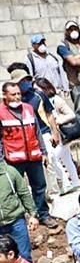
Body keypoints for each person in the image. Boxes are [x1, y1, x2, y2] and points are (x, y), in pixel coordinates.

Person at [0, 81, 57, 228]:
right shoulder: (1, 113)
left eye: (18, 93)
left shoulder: (29, 109)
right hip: (12, 159)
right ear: (4, 95)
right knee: (17, 189)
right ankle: (23, 217)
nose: (17, 97)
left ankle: (43, 214)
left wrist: (43, 151)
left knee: (39, 186)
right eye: (13, 94)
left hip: (33, 156)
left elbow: (37, 131)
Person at [0, 160, 39, 262]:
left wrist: (32, 214)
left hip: (16, 222)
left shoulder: (10, 172)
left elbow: (24, 193)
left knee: (24, 257)